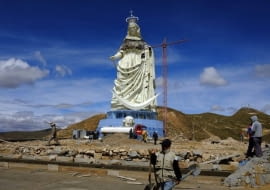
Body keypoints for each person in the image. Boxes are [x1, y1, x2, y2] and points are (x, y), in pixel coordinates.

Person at [110, 12, 157, 111]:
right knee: (122, 84)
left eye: (133, 28)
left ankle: (138, 101)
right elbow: (121, 52)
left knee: (139, 85)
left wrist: (148, 50)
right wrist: (115, 57)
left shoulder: (142, 41)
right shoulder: (125, 41)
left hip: (138, 62)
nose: (132, 30)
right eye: (130, 28)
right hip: (125, 62)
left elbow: (146, 51)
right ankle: (121, 104)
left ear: (136, 29)